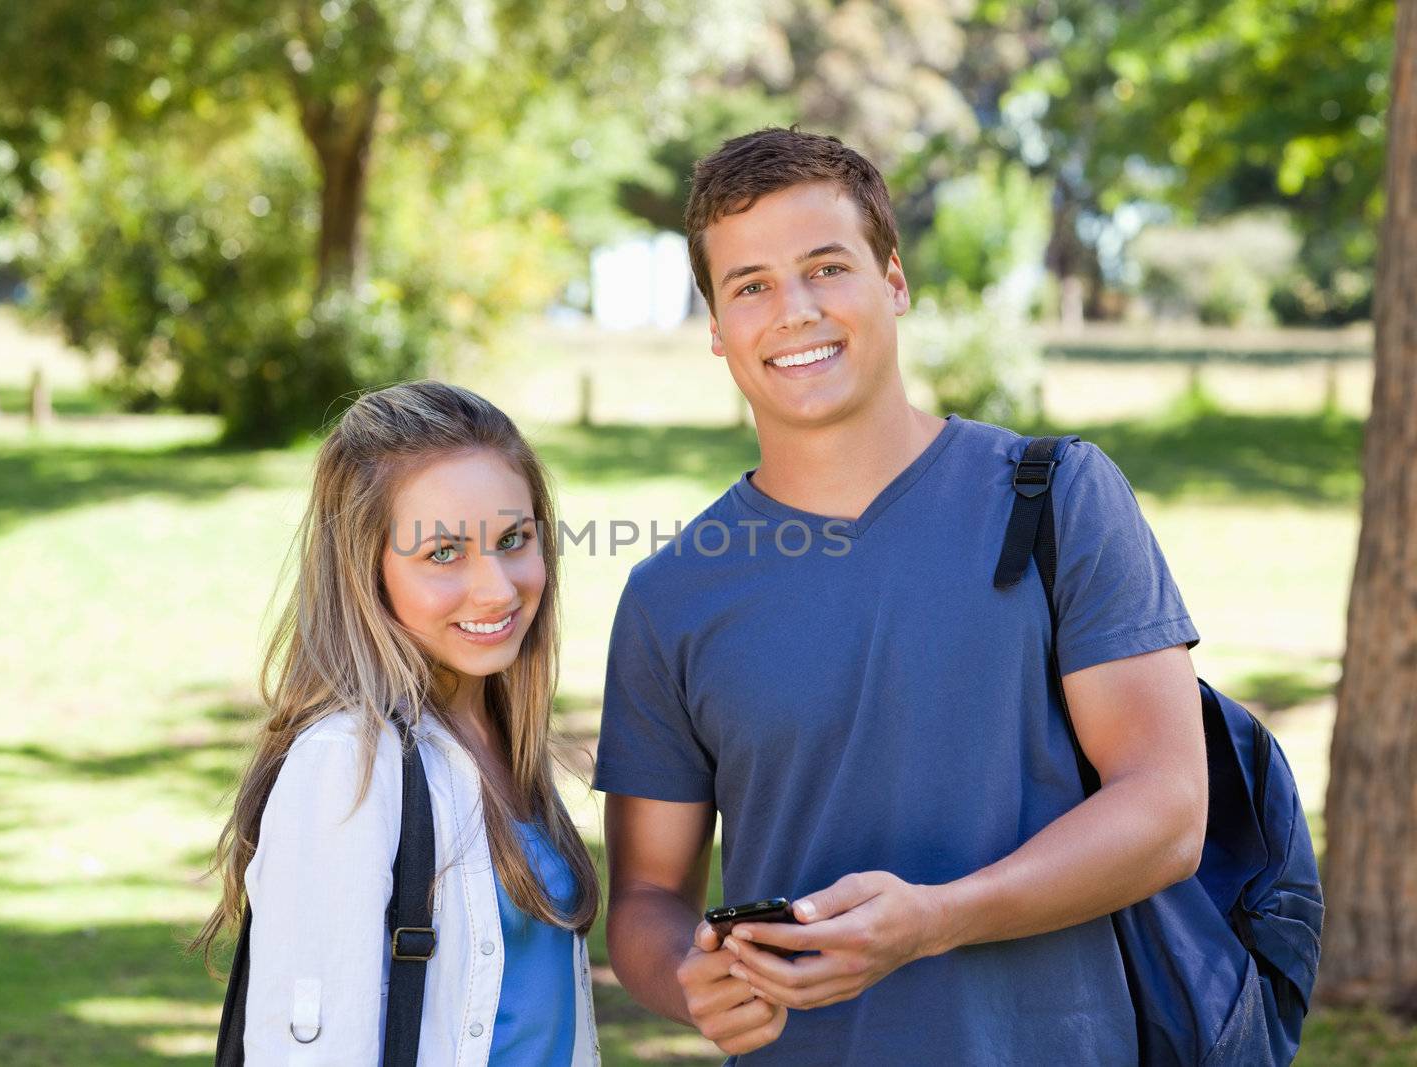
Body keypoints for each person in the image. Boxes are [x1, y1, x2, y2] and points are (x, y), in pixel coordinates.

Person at [594, 128, 1220, 1063]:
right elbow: (647, 896)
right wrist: (690, 981)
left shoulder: (1055, 498)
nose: (793, 310)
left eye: (826, 267)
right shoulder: (669, 594)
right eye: (751, 284)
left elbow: (1169, 809)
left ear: (894, 281)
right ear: (718, 331)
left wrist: (935, 919)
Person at [192, 381, 601, 1064]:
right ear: (365, 571)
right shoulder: (348, 765)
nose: (497, 587)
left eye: (513, 538)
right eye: (443, 552)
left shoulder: (503, 737)